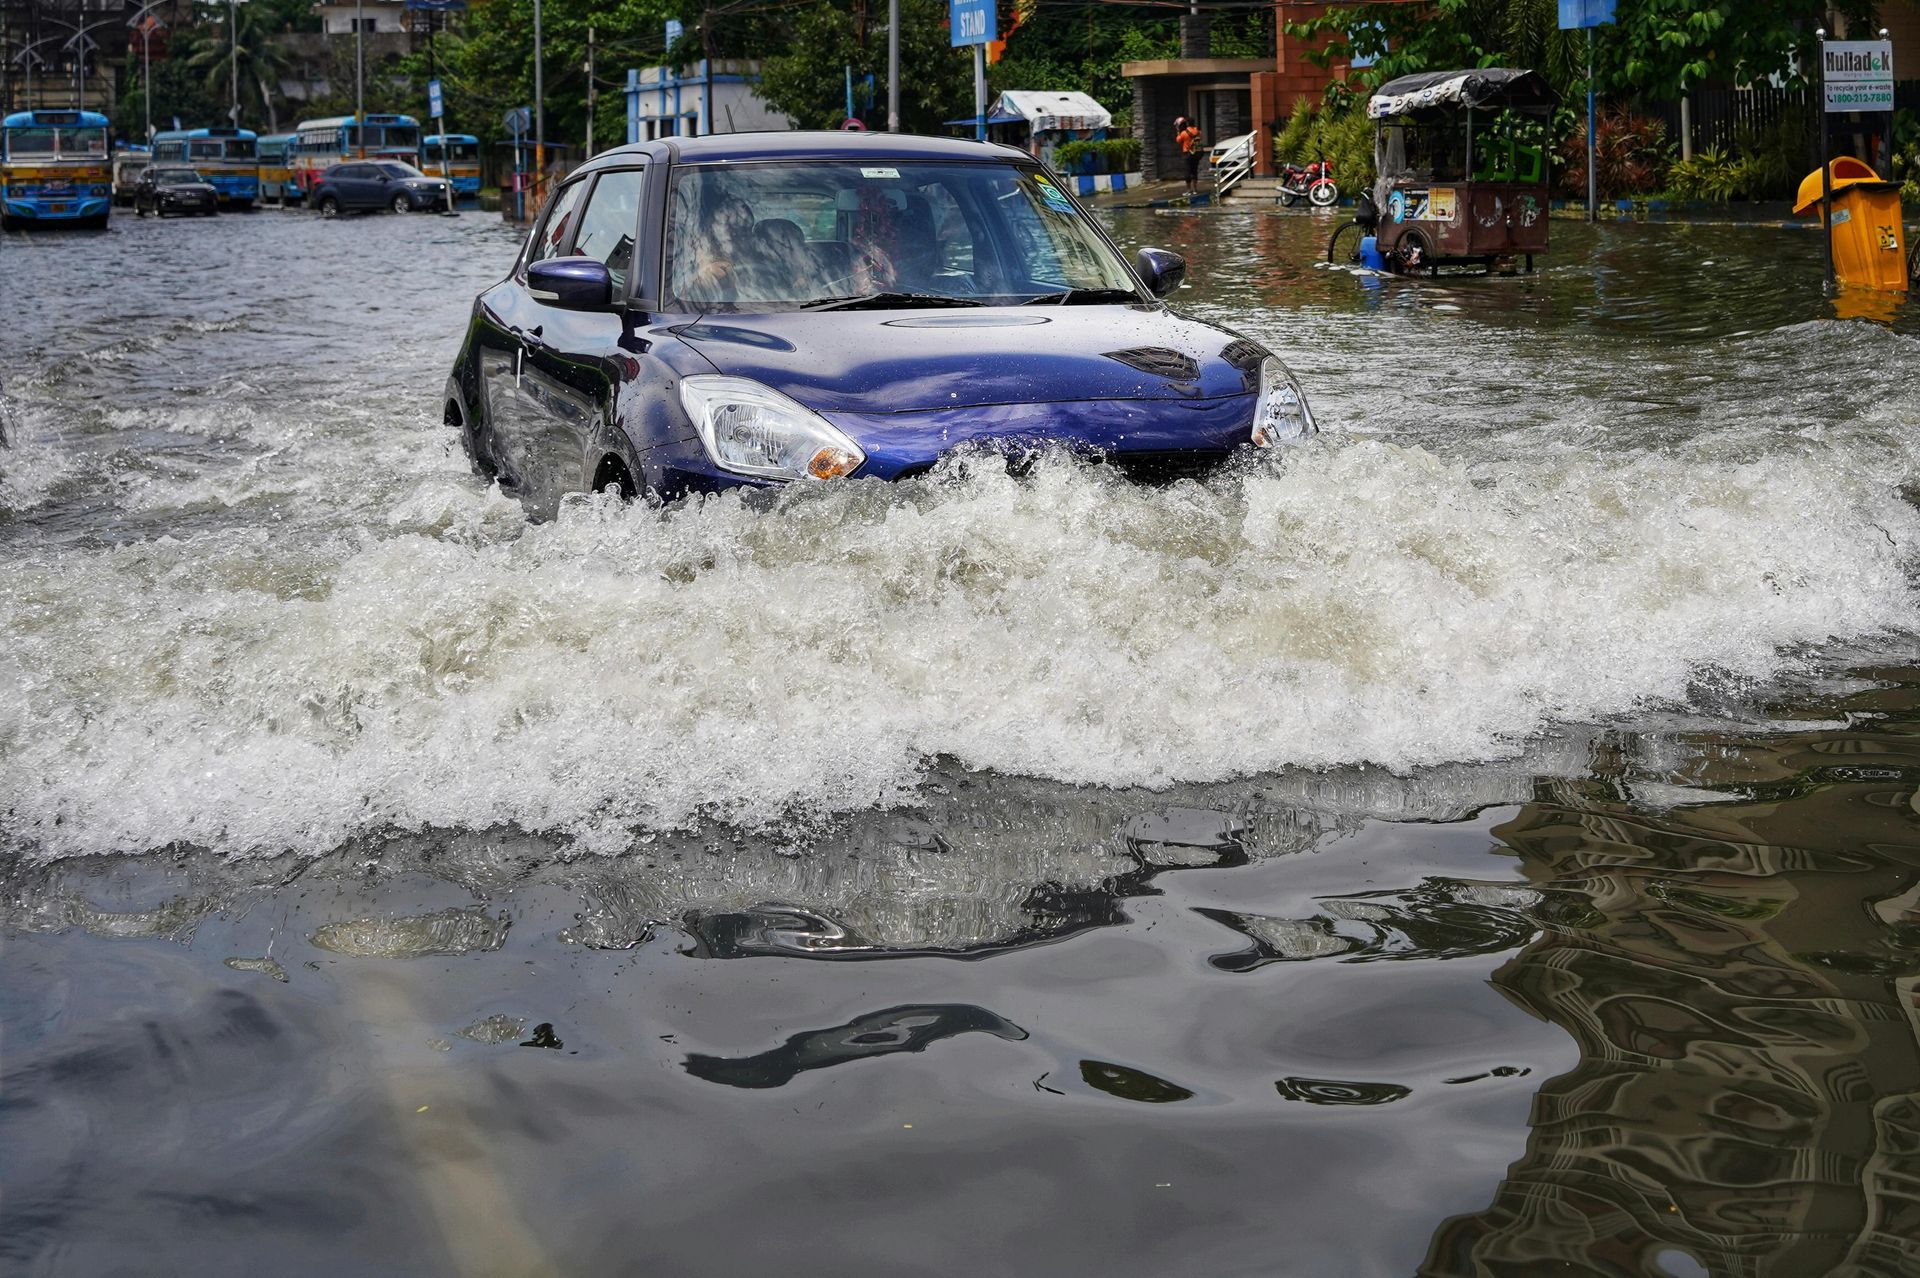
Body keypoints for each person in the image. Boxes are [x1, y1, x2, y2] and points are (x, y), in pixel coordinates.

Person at [1176, 117, 1204, 195]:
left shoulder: (1184, 133)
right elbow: (1200, 139)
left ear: (1187, 123)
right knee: (1194, 171)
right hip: (1197, 154)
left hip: (1187, 154)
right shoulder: (1198, 131)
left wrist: (1178, 131)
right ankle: (1195, 189)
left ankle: (1189, 190)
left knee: (1187, 171)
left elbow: (1178, 140)